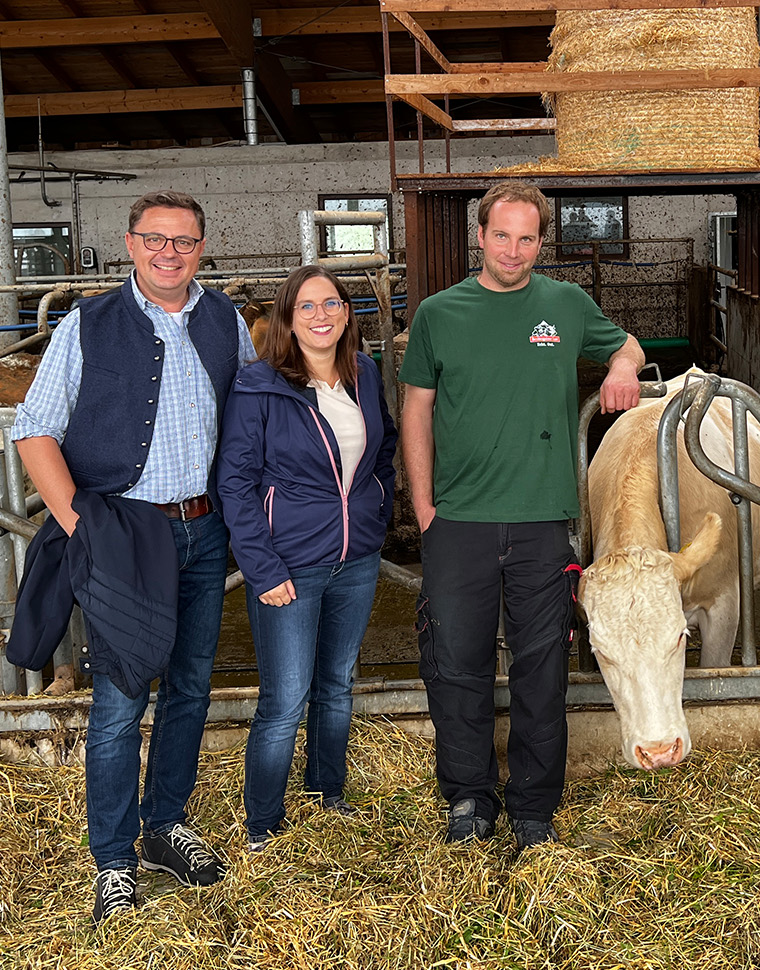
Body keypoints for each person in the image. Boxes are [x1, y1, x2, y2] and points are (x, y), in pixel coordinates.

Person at [8, 189, 255, 923]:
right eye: (155, 240)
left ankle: (164, 826)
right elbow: (34, 428)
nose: (168, 253)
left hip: (202, 529)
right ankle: (113, 860)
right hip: (122, 532)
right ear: (130, 244)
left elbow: (250, 410)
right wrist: (80, 522)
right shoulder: (88, 322)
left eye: (183, 241)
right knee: (120, 701)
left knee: (190, 684)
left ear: (202, 248)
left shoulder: (224, 320)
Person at [398, 180, 645, 849]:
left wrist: (623, 366)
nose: (513, 249)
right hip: (458, 521)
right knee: (457, 664)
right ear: (480, 237)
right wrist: (423, 507)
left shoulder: (564, 304)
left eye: (527, 237)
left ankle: (534, 806)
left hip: (542, 521)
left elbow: (628, 346)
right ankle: (470, 798)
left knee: (542, 669)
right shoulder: (439, 314)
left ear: (542, 241)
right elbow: (416, 409)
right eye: (501, 235)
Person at [216, 265, 397, 852]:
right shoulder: (260, 385)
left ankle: (327, 793)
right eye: (307, 307)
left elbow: (384, 445)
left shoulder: (363, 374)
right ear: (287, 321)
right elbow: (236, 484)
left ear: (347, 313)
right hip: (288, 565)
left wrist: (377, 509)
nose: (321, 316)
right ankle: (263, 824)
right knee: (285, 697)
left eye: (332, 304)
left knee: (338, 682)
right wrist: (262, 568)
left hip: (356, 557)